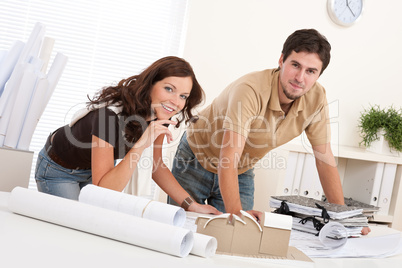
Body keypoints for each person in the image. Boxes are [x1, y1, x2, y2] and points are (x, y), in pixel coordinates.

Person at [169, 29, 370, 234]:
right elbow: (228, 156)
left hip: (239, 169)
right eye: (295, 65)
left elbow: (324, 158)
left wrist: (344, 218)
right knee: (178, 233)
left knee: (237, 237)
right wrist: (237, 216)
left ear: (319, 75)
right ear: (282, 60)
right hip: (195, 158)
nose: (300, 78)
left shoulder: (317, 98)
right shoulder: (250, 90)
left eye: (311, 71)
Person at [34, 56, 220, 215]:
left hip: (94, 169)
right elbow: (103, 190)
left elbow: (156, 167)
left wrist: (192, 205)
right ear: (150, 84)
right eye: (169, 89)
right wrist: (141, 144)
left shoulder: (159, 116)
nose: (175, 102)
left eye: (183, 96)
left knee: (95, 223)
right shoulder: (108, 116)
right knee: (73, 224)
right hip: (59, 169)